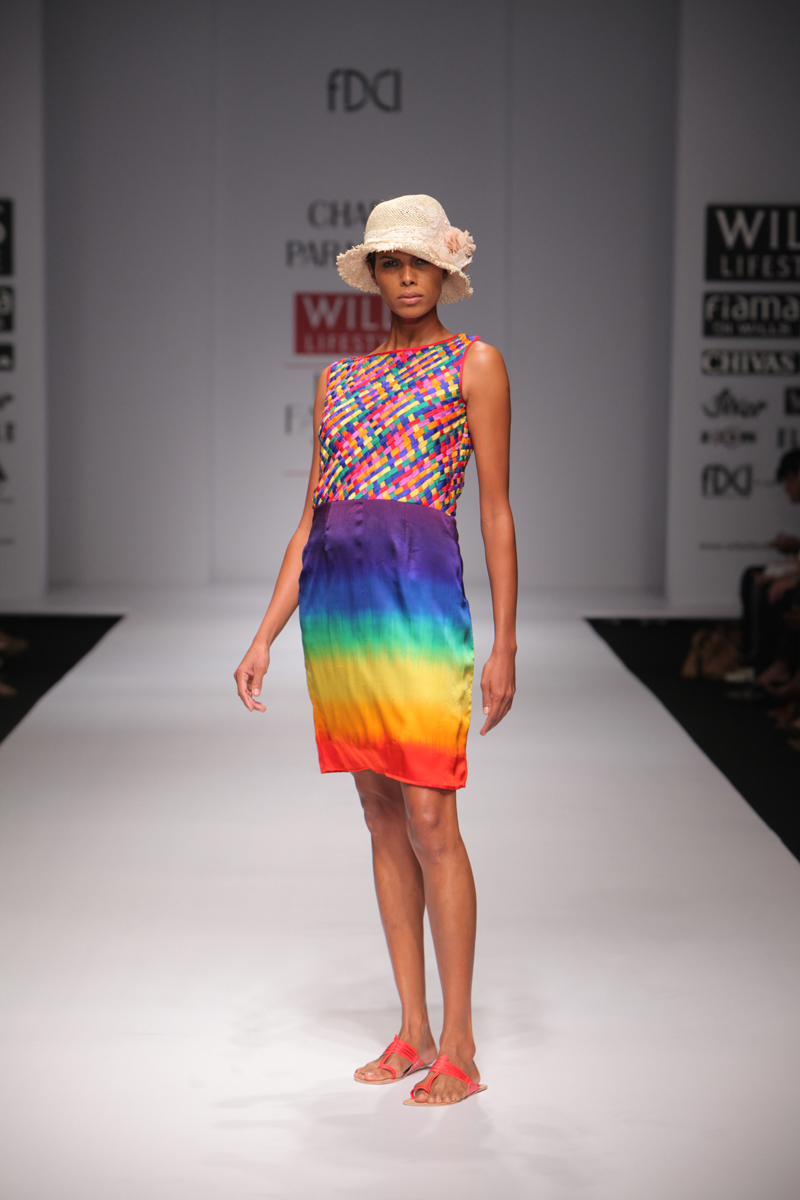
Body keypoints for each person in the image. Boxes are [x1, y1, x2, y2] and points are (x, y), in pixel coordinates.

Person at [234, 195, 517, 1107]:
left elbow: (496, 511)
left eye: (419, 262)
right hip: (341, 606)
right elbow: (309, 517)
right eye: (390, 262)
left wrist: (507, 642)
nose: (405, 277)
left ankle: (461, 1045)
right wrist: (265, 634)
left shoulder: (475, 364)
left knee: (432, 817)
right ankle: (414, 1029)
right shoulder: (339, 380)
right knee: (380, 816)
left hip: (420, 600)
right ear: (374, 274)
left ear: (444, 271)